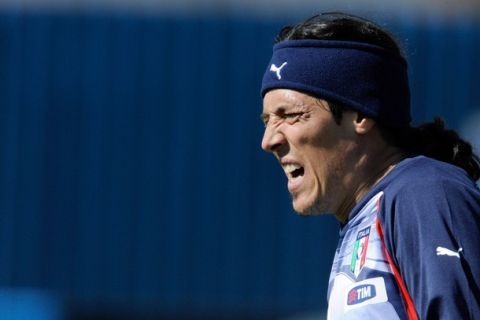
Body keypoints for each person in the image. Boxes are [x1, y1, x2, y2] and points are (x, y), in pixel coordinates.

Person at [259, 12, 480, 319]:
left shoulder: (423, 192)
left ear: (359, 115)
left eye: (291, 115)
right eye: (267, 120)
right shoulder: (364, 220)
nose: (268, 140)